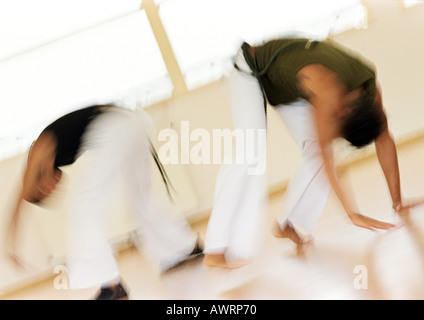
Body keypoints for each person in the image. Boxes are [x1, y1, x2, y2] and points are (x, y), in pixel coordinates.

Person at [203, 37, 411, 268]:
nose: (334, 136)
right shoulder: (326, 92)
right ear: (341, 114)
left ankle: (287, 223)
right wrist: (352, 214)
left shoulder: (369, 88)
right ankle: (216, 248)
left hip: (289, 85)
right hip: (249, 69)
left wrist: (397, 201)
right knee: (250, 152)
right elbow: (327, 155)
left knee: (313, 154)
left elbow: (383, 136)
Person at [6, 104, 202, 300]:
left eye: (47, 191)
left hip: (112, 125)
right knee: (141, 198)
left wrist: (10, 245)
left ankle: (112, 286)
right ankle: (185, 248)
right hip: (132, 122)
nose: (54, 189)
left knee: (84, 206)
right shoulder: (47, 158)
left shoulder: (37, 153)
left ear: (38, 185)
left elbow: (17, 201)